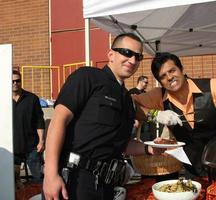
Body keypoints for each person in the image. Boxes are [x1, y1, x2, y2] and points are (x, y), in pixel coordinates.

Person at [43, 33, 163, 200]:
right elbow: (58, 121)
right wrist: (50, 174)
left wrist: (149, 148)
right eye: (127, 53)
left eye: (138, 56)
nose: (133, 60)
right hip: (74, 179)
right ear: (111, 55)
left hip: (105, 185)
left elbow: (121, 144)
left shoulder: (127, 99)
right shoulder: (87, 77)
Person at [133, 52, 216, 179]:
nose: (169, 77)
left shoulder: (212, 86)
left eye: (172, 71)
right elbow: (129, 104)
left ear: (181, 69)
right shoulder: (159, 95)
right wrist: (154, 114)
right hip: (192, 171)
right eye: (162, 76)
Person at [12, 70, 45, 185]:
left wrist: (41, 141)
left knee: (39, 179)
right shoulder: (3, 100)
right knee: (11, 181)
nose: (15, 83)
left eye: (18, 81)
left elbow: (39, 121)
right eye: (12, 81)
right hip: (12, 149)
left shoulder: (32, 99)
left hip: (32, 147)